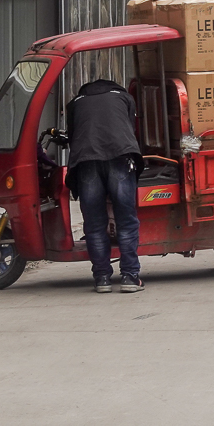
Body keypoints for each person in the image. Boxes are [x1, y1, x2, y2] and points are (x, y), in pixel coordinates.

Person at [66, 79, 144, 294]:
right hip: (120, 159)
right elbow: (130, 130)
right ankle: (130, 277)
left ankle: (101, 279)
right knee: (126, 221)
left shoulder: (76, 103)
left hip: (86, 163)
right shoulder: (124, 98)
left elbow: (73, 137)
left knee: (94, 224)